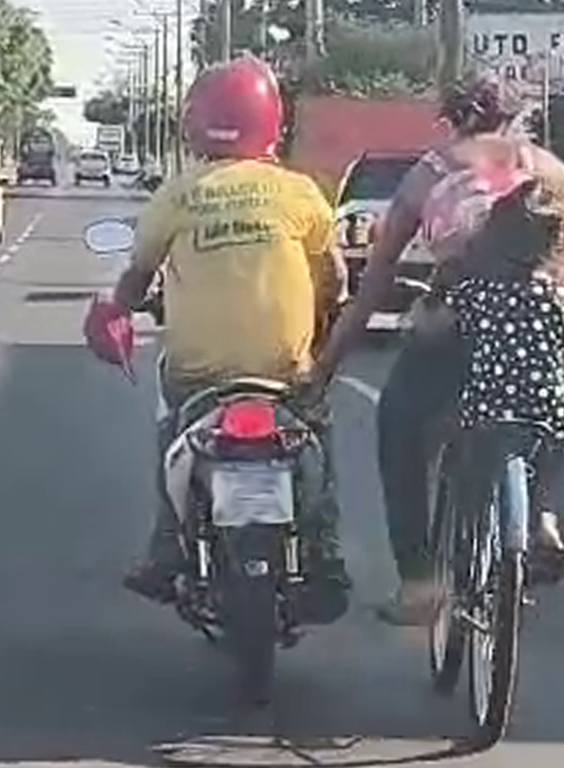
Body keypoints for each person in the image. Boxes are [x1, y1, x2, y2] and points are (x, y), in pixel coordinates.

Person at [310, 70, 564, 625]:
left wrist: (324, 369)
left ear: (451, 120)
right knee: (552, 419)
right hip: (538, 332)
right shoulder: (548, 170)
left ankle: (419, 581)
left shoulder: (427, 175)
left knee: (399, 423)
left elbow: (371, 290)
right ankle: (541, 516)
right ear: (517, 117)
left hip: (452, 333)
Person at [88, 54, 352, 620]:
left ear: (194, 123)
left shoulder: (177, 195)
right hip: (284, 370)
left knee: (171, 427)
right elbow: (333, 274)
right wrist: (325, 320)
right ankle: (325, 554)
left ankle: (166, 547)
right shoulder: (297, 191)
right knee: (318, 436)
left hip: (198, 373)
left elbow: (134, 280)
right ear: (272, 122)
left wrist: (117, 311)